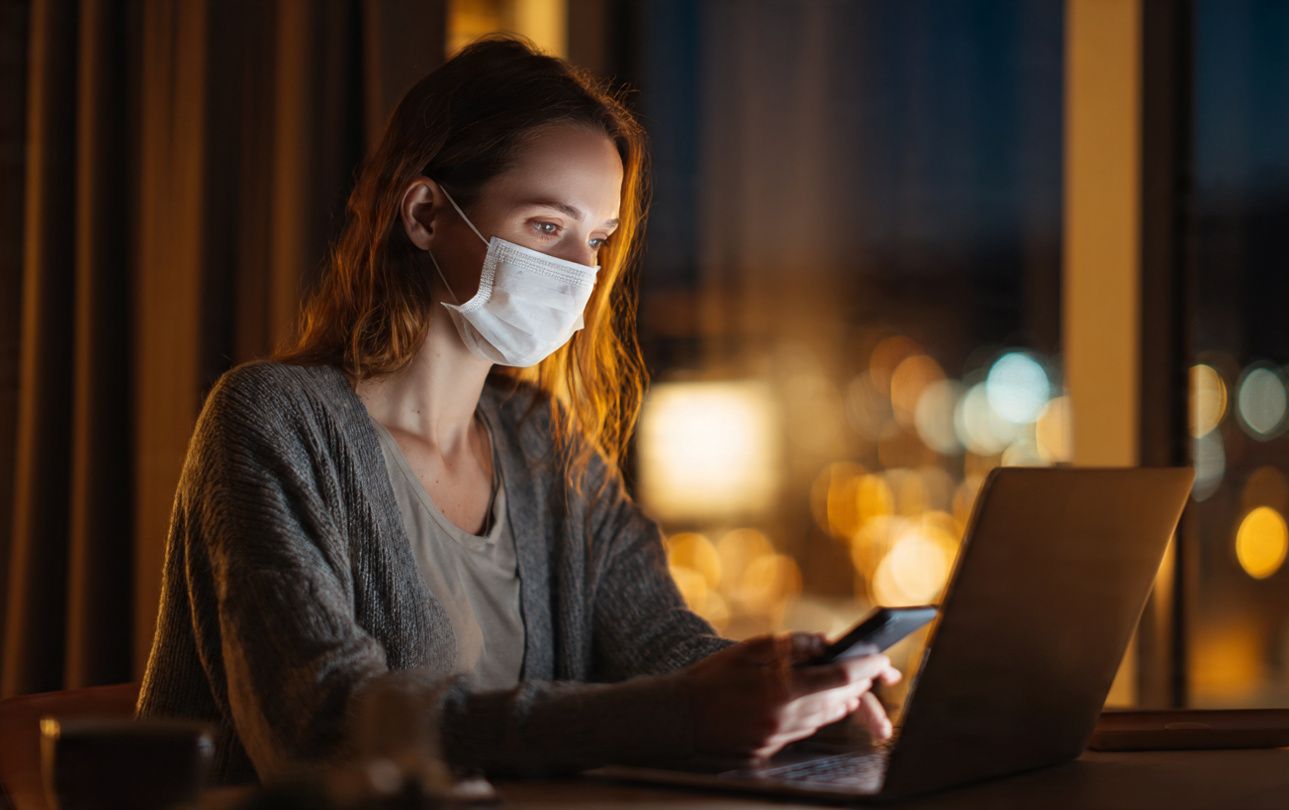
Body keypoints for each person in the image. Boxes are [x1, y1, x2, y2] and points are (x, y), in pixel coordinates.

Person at [135, 35, 899, 785]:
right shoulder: (272, 420)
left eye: (597, 238)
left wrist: (794, 688)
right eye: (546, 227)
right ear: (427, 214)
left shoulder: (543, 441)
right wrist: (686, 716)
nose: (583, 273)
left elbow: (660, 644)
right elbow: (325, 726)